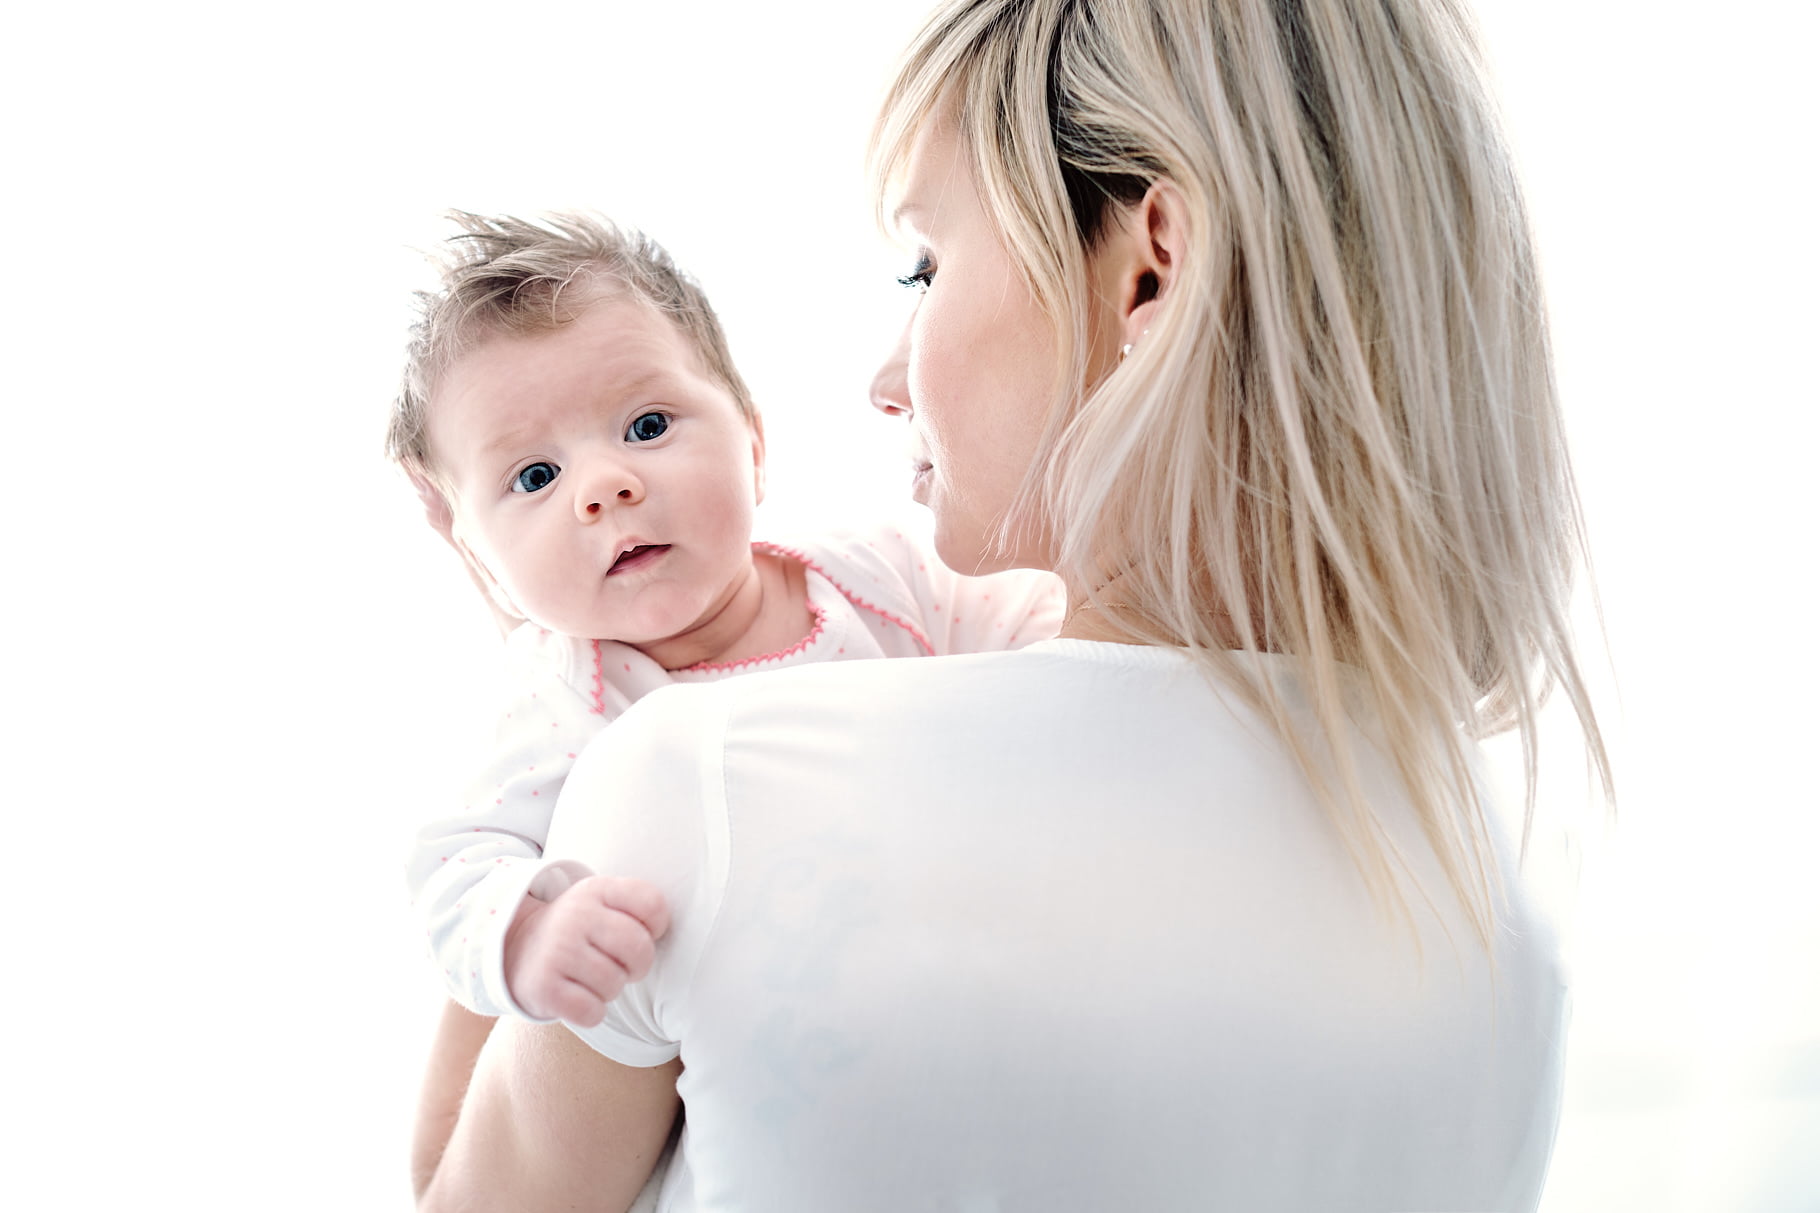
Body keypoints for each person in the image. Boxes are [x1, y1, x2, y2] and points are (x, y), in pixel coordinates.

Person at [418, 1, 1612, 1209]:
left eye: (925, 268)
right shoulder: (1492, 897)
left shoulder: (692, 785)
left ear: (1147, 271)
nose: (885, 377)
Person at [387, 212, 1062, 1195]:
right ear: (477, 550)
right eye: (535, 476)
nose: (604, 486)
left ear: (751, 440)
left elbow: (1018, 625)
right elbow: (455, 861)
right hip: (704, 1098)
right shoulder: (562, 698)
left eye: (646, 426)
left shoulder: (868, 575)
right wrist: (526, 934)